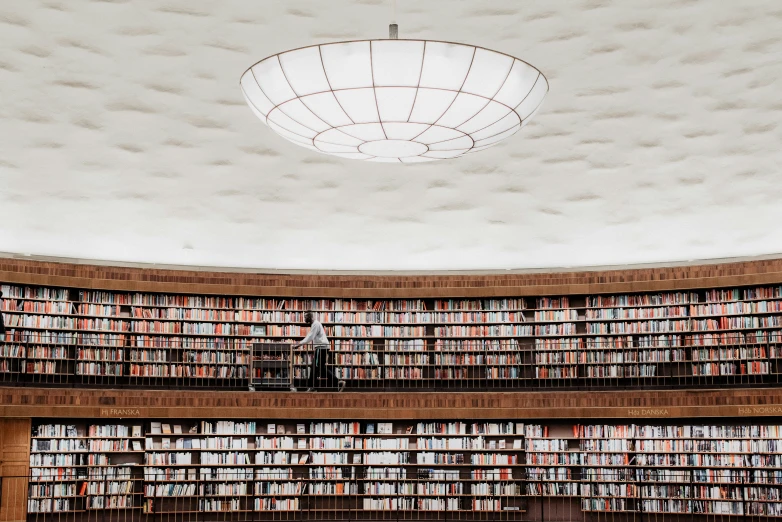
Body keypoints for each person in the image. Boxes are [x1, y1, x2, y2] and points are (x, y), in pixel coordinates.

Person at [293, 311, 345, 392]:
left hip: (321, 348)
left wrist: (299, 344)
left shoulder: (315, 324)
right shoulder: (315, 324)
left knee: (315, 367)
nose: (304, 319)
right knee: (320, 368)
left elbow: (310, 336)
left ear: (310, 316)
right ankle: (336, 382)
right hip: (322, 348)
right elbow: (311, 336)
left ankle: (313, 387)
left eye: (305, 317)